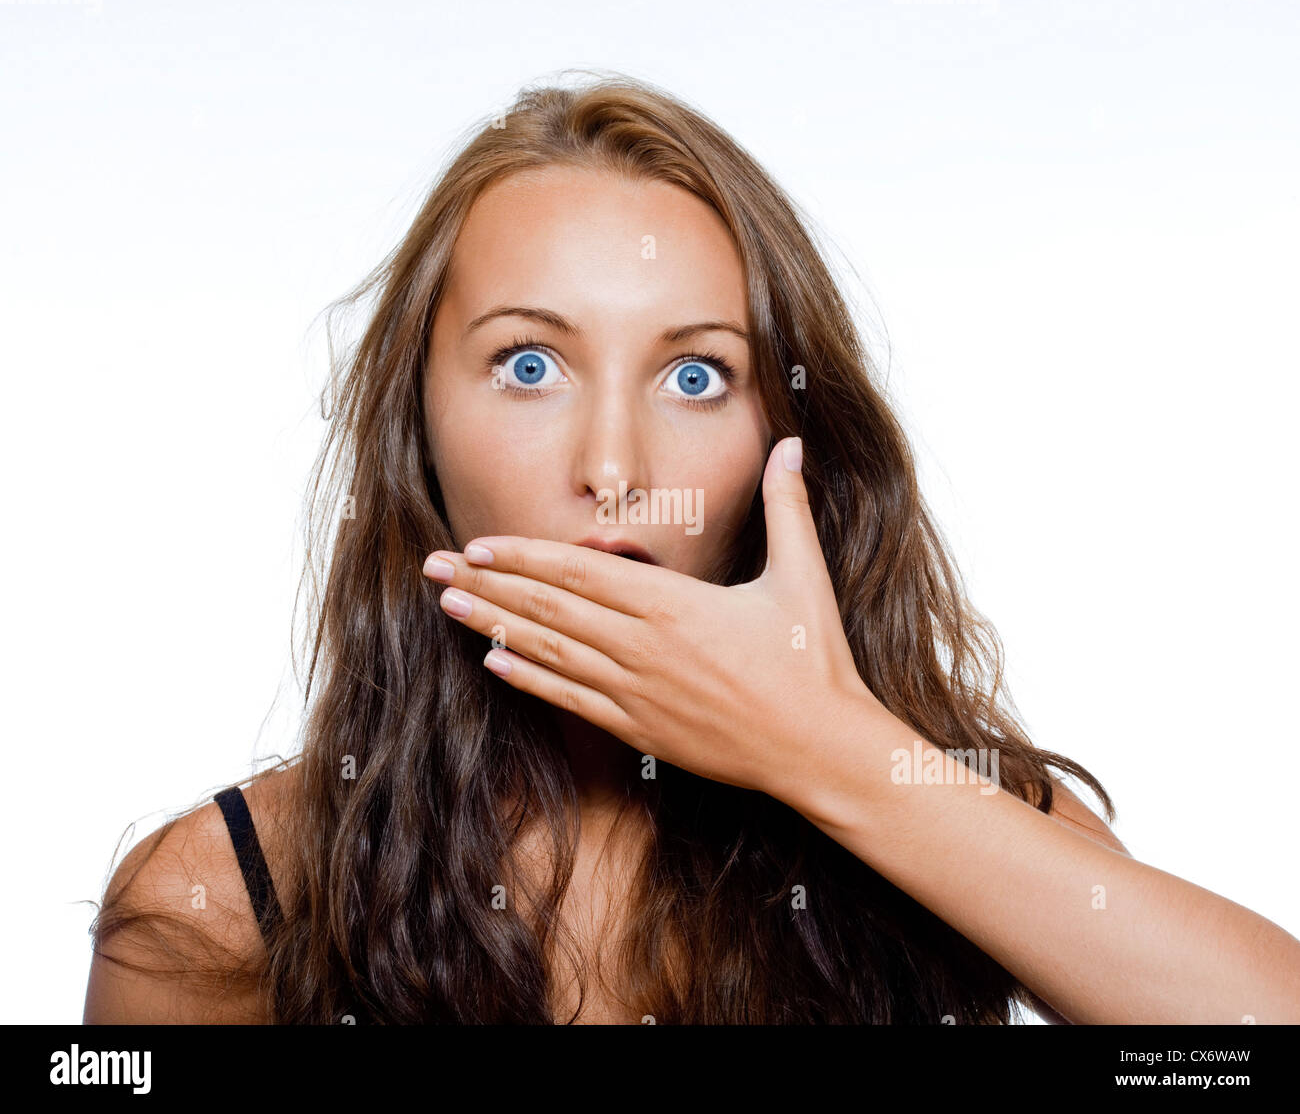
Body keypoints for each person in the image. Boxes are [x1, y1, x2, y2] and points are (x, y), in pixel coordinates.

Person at [83, 72, 1300, 1025]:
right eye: (528, 364)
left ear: (790, 431)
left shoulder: (932, 799)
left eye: (695, 373)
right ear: (419, 430)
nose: (612, 468)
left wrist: (823, 748)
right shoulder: (234, 900)